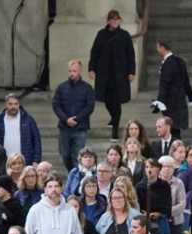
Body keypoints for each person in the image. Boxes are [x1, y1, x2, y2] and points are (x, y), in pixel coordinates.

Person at [88, 9, 136, 140]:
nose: (115, 21)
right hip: (105, 74)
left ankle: (115, 130)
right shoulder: (101, 34)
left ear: (119, 20)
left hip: (120, 75)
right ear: (108, 21)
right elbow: (95, 53)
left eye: (117, 19)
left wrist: (131, 71)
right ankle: (113, 118)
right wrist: (91, 68)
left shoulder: (124, 35)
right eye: (112, 19)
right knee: (108, 101)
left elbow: (130, 54)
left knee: (116, 102)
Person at [51, 60, 95, 172]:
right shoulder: (61, 87)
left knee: (77, 156)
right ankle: (72, 173)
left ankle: (75, 178)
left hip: (80, 128)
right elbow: (56, 105)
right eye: (70, 71)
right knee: (65, 155)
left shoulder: (87, 88)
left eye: (74, 71)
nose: (72, 73)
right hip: (64, 127)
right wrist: (66, 119)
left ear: (79, 71)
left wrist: (77, 118)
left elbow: (89, 107)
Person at [153, 40, 192, 139]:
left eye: (158, 47)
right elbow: (186, 83)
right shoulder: (180, 61)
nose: (157, 50)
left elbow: (164, 85)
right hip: (180, 102)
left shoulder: (168, 64)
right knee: (176, 131)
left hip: (170, 104)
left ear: (162, 48)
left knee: (172, 131)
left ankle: (175, 151)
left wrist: (159, 102)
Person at [0, 94, 41, 169]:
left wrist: (36, 160)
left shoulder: (29, 120)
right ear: (5, 104)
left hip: (24, 162)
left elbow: (36, 140)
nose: (13, 107)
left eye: (15, 104)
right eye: (10, 104)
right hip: (4, 162)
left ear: (19, 105)